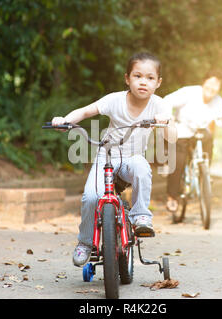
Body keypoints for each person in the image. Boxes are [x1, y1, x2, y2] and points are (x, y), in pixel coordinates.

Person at [51, 52, 176, 267]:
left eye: (150, 78)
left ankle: (141, 217)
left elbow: (172, 137)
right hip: (106, 156)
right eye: (137, 76)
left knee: (142, 167)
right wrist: (65, 120)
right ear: (127, 78)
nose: (143, 82)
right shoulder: (114, 100)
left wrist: (165, 123)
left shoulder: (159, 104)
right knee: (91, 197)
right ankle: (85, 242)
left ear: (158, 82)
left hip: (132, 159)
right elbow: (85, 111)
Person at [163, 70, 222, 212]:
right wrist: (169, 117)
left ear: (219, 89)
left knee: (209, 139)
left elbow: (221, 119)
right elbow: (167, 100)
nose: (212, 88)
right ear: (204, 82)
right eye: (210, 83)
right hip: (182, 130)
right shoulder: (190, 92)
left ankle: (204, 173)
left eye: (216, 85)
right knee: (179, 161)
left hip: (200, 132)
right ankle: (172, 197)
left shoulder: (218, 101)